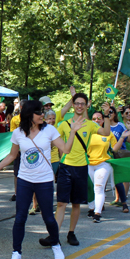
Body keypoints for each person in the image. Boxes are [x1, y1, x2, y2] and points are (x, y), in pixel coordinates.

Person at [0, 100, 84, 259]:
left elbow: (65, 150)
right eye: (39, 113)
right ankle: (16, 252)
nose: (43, 115)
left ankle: (56, 244)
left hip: (44, 180)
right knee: (20, 218)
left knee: (48, 218)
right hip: (24, 180)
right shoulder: (18, 133)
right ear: (30, 115)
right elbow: (12, 156)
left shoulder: (50, 130)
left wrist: (73, 132)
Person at [39, 93, 111, 247]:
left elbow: (106, 133)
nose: (79, 106)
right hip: (65, 167)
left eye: (82, 104)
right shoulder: (64, 124)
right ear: (73, 105)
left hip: (81, 168)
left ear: (86, 106)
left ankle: (71, 233)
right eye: (77, 103)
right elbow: (53, 142)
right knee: (61, 203)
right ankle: (54, 235)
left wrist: (106, 115)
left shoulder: (90, 124)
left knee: (76, 204)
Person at [88, 111, 130, 222]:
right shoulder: (88, 132)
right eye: (94, 119)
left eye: (99, 118)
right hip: (88, 164)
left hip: (103, 163)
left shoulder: (108, 134)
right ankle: (92, 208)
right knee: (91, 188)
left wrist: (122, 137)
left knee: (99, 188)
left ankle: (97, 213)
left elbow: (114, 148)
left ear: (103, 120)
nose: (97, 120)